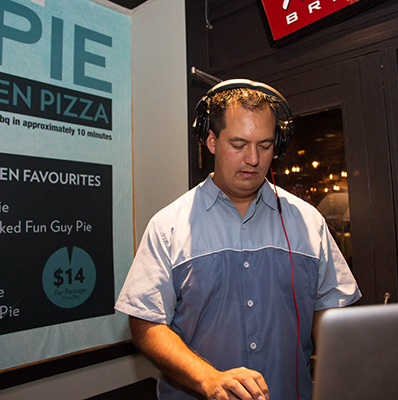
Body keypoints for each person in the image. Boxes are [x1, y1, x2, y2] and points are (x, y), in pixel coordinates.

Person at [115, 79, 361, 400]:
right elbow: (145, 323)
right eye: (238, 144)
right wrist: (208, 378)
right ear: (212, 141)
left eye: (265, 145)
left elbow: (333, 312)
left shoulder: (308, 222)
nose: (253, 159)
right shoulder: (167, 226)